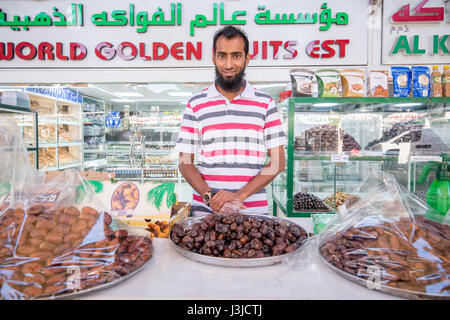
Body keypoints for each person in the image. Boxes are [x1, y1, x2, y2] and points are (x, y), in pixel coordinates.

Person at [176, 25, 286, 216]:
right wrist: (209, 197)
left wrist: (239, 196)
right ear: (214, 58)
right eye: (222, 56)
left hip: (253, 211)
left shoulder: (265, 103)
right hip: (206, 211)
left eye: (236, 55)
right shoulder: (196, 103)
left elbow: (278, 162)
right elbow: (185, 162)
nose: (228, 64)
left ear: (247, 58)